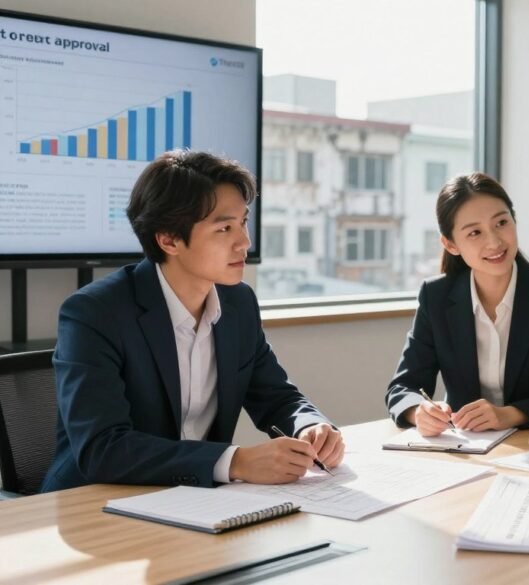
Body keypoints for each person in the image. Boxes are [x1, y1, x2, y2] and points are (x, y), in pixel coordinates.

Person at [42, 150, 343, 492]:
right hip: (94, 502)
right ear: (168, 239)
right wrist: (236, 461)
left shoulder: (238, 303)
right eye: (224, 228)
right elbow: (103, 448)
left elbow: (276, 396)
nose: (244, 242)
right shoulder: (95, 313)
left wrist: (310, 426)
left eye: (243, 223)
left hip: (194, 501)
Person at [386, 172, 529, 436]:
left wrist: (507, 415)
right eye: (475, 232)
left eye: (501, 223)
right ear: (450, 244)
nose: (494, 242)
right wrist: (419, 411)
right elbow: (402, 388)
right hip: (466, 448)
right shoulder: (435, 297)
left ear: (514, 220)